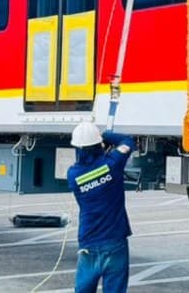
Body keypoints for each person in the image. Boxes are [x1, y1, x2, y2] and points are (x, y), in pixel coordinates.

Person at [67, 121, 135, 293]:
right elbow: (128, 141)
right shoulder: (113, 163)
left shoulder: (73, 174)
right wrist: (106, 135)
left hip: (89, 243)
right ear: (99, 145)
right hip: (115, 241)